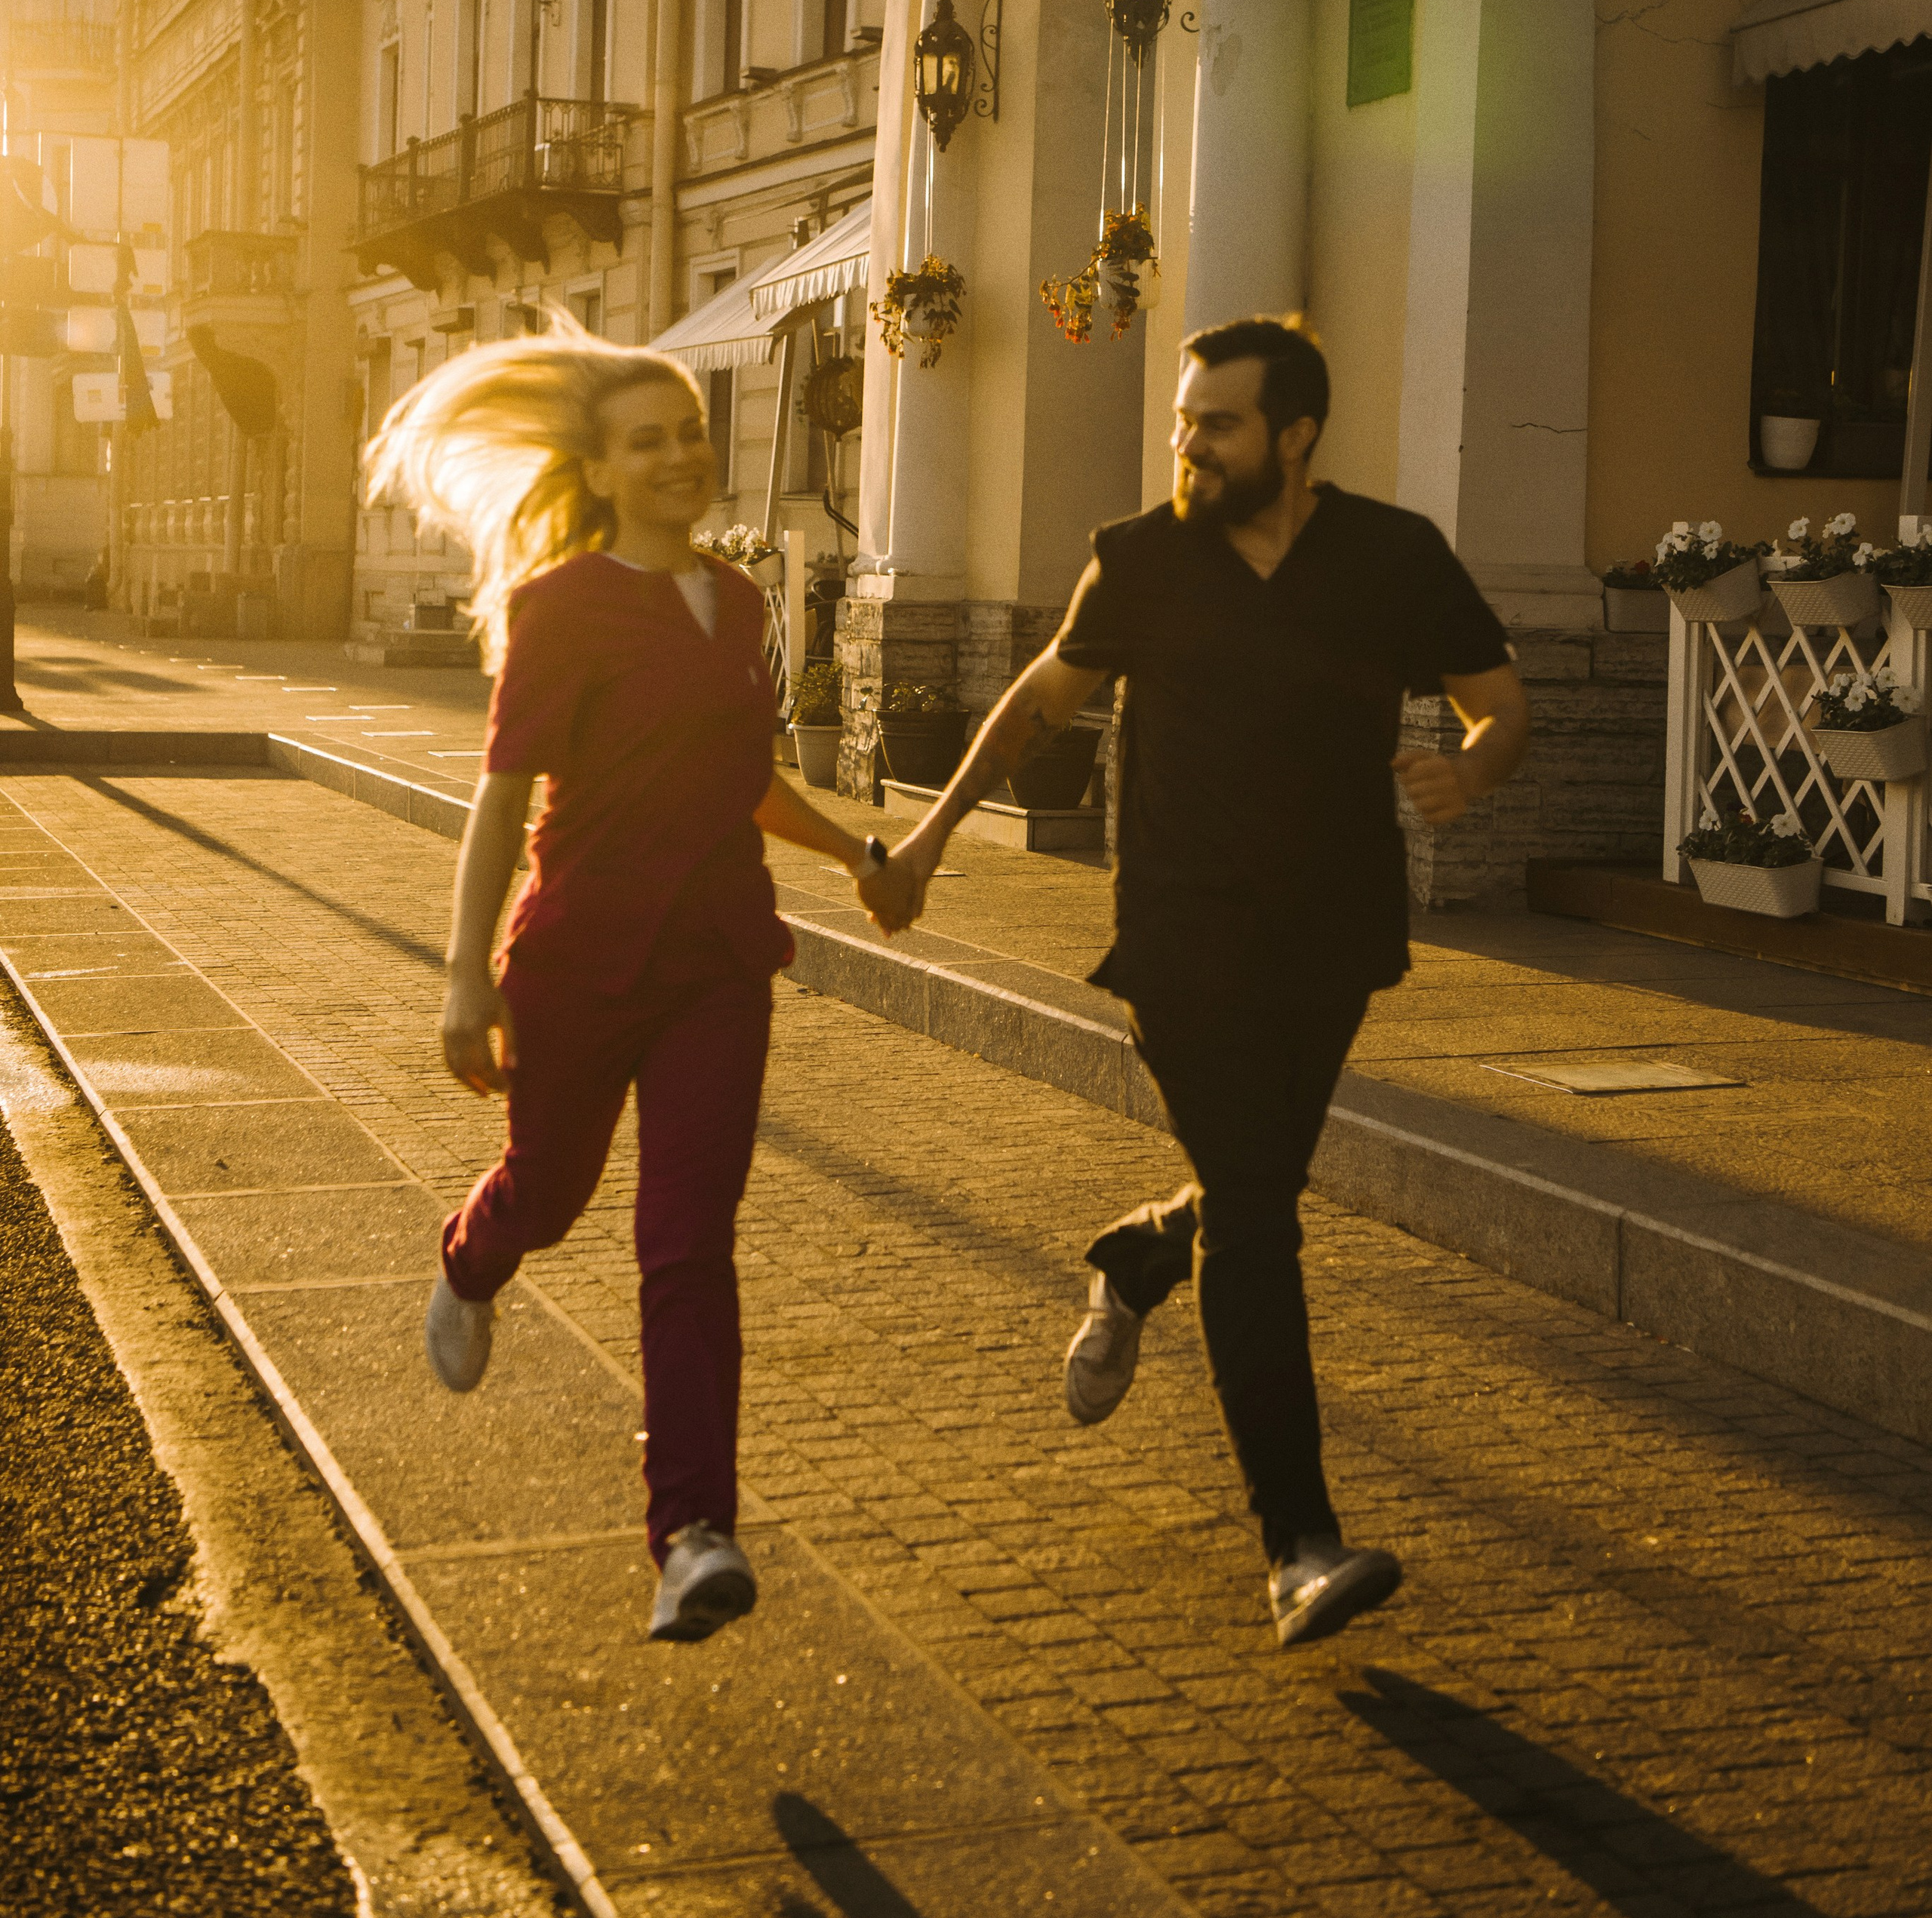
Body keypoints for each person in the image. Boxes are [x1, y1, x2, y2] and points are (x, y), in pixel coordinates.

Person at [888, 315, 1529, 1648]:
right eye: (1184, 421)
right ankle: (1297, 1543)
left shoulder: (1392, 558)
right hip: (1181, 933)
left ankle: (1137, 1256)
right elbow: (1038, 706)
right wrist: (935, 838)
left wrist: (1470, 773)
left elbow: (1499, 700)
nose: (1187, 443)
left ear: (1294, 437)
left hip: (1336, 931)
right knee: (1259, 1212)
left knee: (1254, 1190)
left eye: (1216, 423)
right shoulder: (1143, 559)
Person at [366, 324, 915, 1644]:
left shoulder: (739, 602)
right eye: (647, 440)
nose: (679, 456)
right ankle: (473, 1253)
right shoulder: (559, 608)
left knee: (686, 1240)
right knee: (550, 1192)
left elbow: (742, 781)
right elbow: (501, 805)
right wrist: (463, 979)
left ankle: (692, 1533)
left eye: (690, 432)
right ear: (601, 470)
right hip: (579, 961)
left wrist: (855, 853)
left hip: (718, 962)